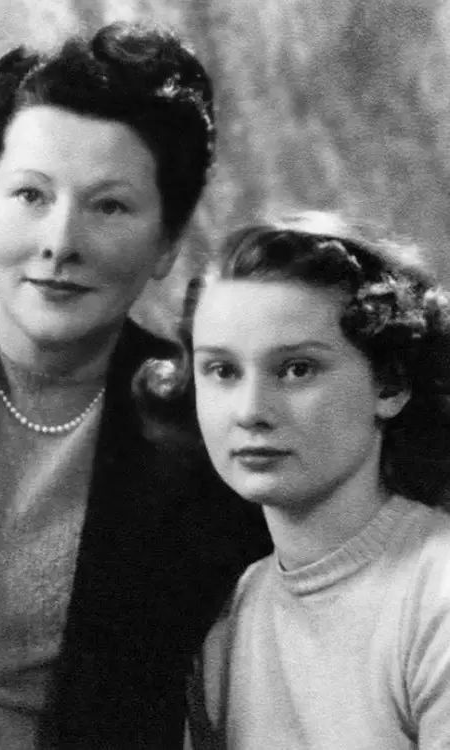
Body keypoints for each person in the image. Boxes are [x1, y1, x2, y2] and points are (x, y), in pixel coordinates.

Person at [0, 22, 270, 748]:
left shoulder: (216, 428)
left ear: (167, 242)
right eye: (30, 195)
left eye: (109, 206)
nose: (60, 242)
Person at [181, 212, 450, 748]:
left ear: (390, 384)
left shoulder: (436, 594)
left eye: (297, 369)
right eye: (223, 371)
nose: (251, 411)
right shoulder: (234, 614)